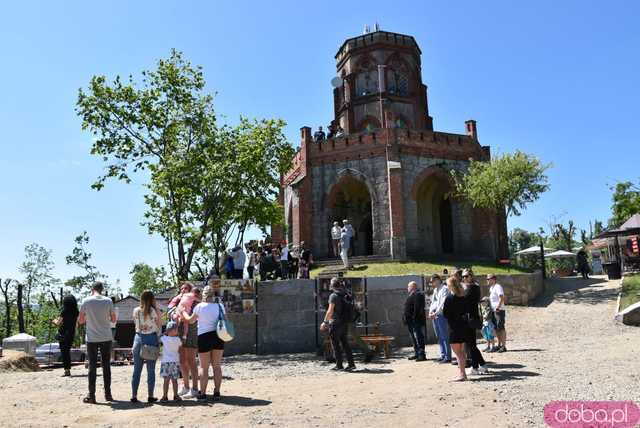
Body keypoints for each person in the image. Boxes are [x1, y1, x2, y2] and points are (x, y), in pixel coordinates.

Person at [182, 286, 225, 401]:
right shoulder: (220, 306)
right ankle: (217, 392)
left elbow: (191, 320)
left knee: (204, 367)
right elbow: (224, 319)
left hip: (204, 337)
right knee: (217, 366)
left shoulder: (199, 307)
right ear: (213, 295)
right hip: (218, 336)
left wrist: (183, 312)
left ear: (203, 295)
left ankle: (203, 393)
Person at [77, 281, 116, 404]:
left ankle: (92, 395)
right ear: (102, 289)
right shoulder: (108, 301)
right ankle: (108, 394)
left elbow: (81, 321)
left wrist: (89, 318)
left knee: (92, 366)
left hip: (92, 338)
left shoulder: (86, 301)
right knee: (106, 366)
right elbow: (113, 319)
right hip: (106, 336)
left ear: (92, 289)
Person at [130, 290, 162, 403]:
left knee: (136, 370)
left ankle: (134, 395)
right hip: (151, 339)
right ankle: (150, 395)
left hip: (138, 339)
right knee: (151, 370)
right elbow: (159, 325)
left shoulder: (136, 310)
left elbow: (135, 323)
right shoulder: (153, 311)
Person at [320, 278, 356, 371]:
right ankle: (351, 364)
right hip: (345, 322)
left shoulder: (333, 296)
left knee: (335, 344)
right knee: (345, 344)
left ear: (332, 286)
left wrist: (325, 322)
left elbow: (330, 310)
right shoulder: (345, 294)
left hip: (335, 323)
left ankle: (339, 365)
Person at [461, 269, 488, 375]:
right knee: (471, 344)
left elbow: (464, 301)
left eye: (466, 276)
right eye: (463, 277)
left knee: (471, 344)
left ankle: (476, 367)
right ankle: (481, 365)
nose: (464, 278)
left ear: (471, 276)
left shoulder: (471, 288)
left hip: (470, 318)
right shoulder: (473, 287)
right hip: (471, 317)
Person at [442, 276, 469, 381]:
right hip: (463, 325)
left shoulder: (449, 298)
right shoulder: (462, 296)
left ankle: (462, 375)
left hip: (454, 327)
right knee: (462, 351)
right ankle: (462, 373)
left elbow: (445, 313)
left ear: (450, 286)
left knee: (458, 353)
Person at [177, 286, 201, 398]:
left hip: (191, 331)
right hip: (181, 330)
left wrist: (182, 313)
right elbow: (172, 312)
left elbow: (191, 320)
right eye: (181, 289)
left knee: (191, 360)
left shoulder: (195, 303)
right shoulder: (180, 300)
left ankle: (195, 388)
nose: (182, 291)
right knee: (182, 360)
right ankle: (186, 387)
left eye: (185, 288)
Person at [53, 294, 79, 377]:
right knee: (67, 351)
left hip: (63, 333)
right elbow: (77, 324)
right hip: (71, 333)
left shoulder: (64, 311)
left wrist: (53, 321)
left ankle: (67, 370)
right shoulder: (76, 312)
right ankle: (68, 370)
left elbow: (58, 323)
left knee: (64, 352)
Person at [428, 274, 451, 363]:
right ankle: (443, 354)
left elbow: (443, 303)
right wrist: (431, 312)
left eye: (432, 281)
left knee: (445, 336)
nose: (432, 283)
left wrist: (436, 313)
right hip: (435, 315)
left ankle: (448, 356)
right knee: (439, 336)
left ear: (438, 280)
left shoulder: (444, 289)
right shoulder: (435, 290)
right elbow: (433, 302)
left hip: (442, 315)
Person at [160, 321, 183, 402]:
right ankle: (176, 395)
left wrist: (164, 333)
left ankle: (165, 396)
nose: (177, 331)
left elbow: (160, 338)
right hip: (175, 361)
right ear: (172, 330)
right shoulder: (178, 339)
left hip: (165, 362)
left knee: (166, 380)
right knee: (174, 380)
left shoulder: (163, 338)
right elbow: (180, 349)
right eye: (176, 329)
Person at [403, 281, 426, 361]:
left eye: (408, 286)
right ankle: (416, 353)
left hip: (415, 321)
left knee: (418, 337)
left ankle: (421, 355)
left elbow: (417, 309)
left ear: (413, 287)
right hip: (410, 322)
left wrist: (414, 318)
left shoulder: (418, 294)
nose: (407, 288)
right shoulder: (411, 295)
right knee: (414, 338)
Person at [487, 273, 507, 353]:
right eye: (487, 279)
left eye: (488, 279)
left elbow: (502, 297)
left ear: (493, 279)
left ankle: (503, 346)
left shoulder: (498, 287)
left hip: (499, 310)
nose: (487, 280)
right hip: (494, 310)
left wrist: (498, 307)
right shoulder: (492, 288)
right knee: (496, 328)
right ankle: (499, 345)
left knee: (501, 328)